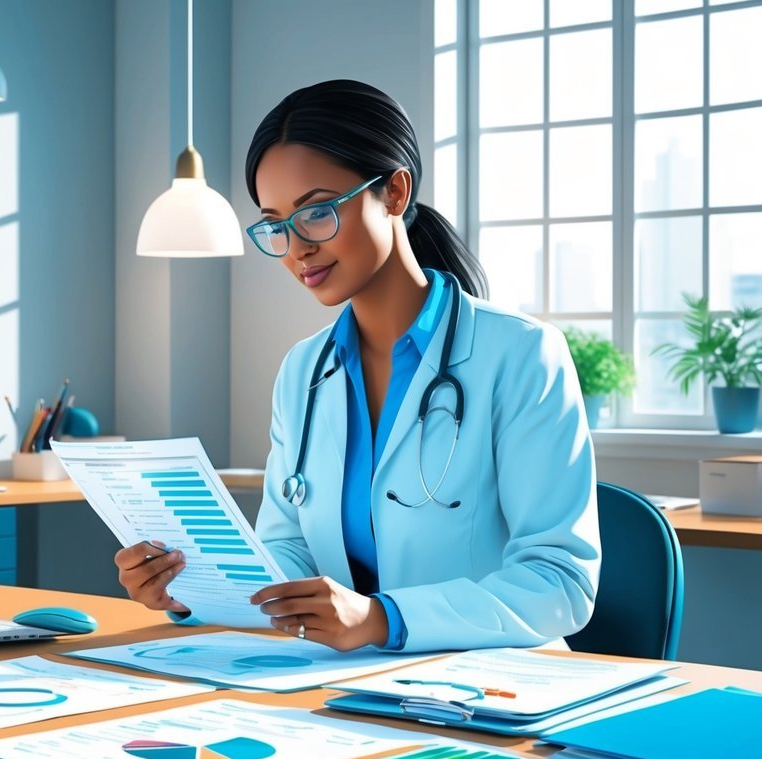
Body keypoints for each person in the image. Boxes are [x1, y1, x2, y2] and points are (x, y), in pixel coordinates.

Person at [114, 79, 600, 653]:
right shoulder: (304, 372)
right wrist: (189, 586)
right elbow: (289, 550)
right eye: (275, 225)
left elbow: (559, 582)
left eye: (316, 213)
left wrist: (382, 618)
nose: (297, 248)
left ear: (394, 192)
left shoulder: (520, 355)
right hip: (345, 686)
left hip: (491, 691)